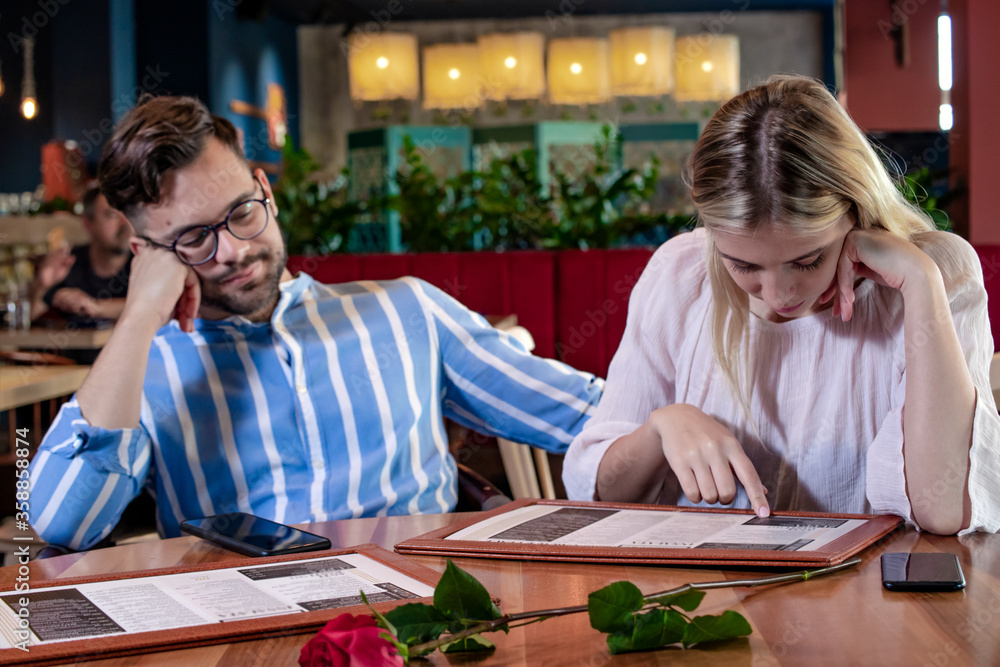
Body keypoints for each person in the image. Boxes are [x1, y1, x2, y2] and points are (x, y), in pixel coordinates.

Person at [28, 96, 603, 551]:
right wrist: (137, 318)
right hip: (241, 631)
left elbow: (589, 415)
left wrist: (674, 422)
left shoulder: (407, 312)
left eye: (240, 213)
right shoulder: (144, 370)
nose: (231, 250)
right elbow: (61, 526)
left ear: (266, 193)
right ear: (147, 253)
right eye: (194, 238)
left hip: (420, 624)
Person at [564, 75, 999, 536]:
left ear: (856, 210)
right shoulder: (679, 273)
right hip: (709, 596)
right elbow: (600, 498)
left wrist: (920, 281)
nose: (778, 296)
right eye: (742, 265)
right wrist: (659, 429)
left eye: (807, 260)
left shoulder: (933, 273)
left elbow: (944, 510)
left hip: (868, 601)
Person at [30, 186, 132, 326]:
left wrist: (95, 306)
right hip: (75, 347)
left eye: (128, 214)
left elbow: (153, 308)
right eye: (112, 215)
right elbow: (31, 316)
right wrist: (42, 286)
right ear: (88, 224)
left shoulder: (144, 261)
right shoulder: (68, 262)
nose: (125, 223)